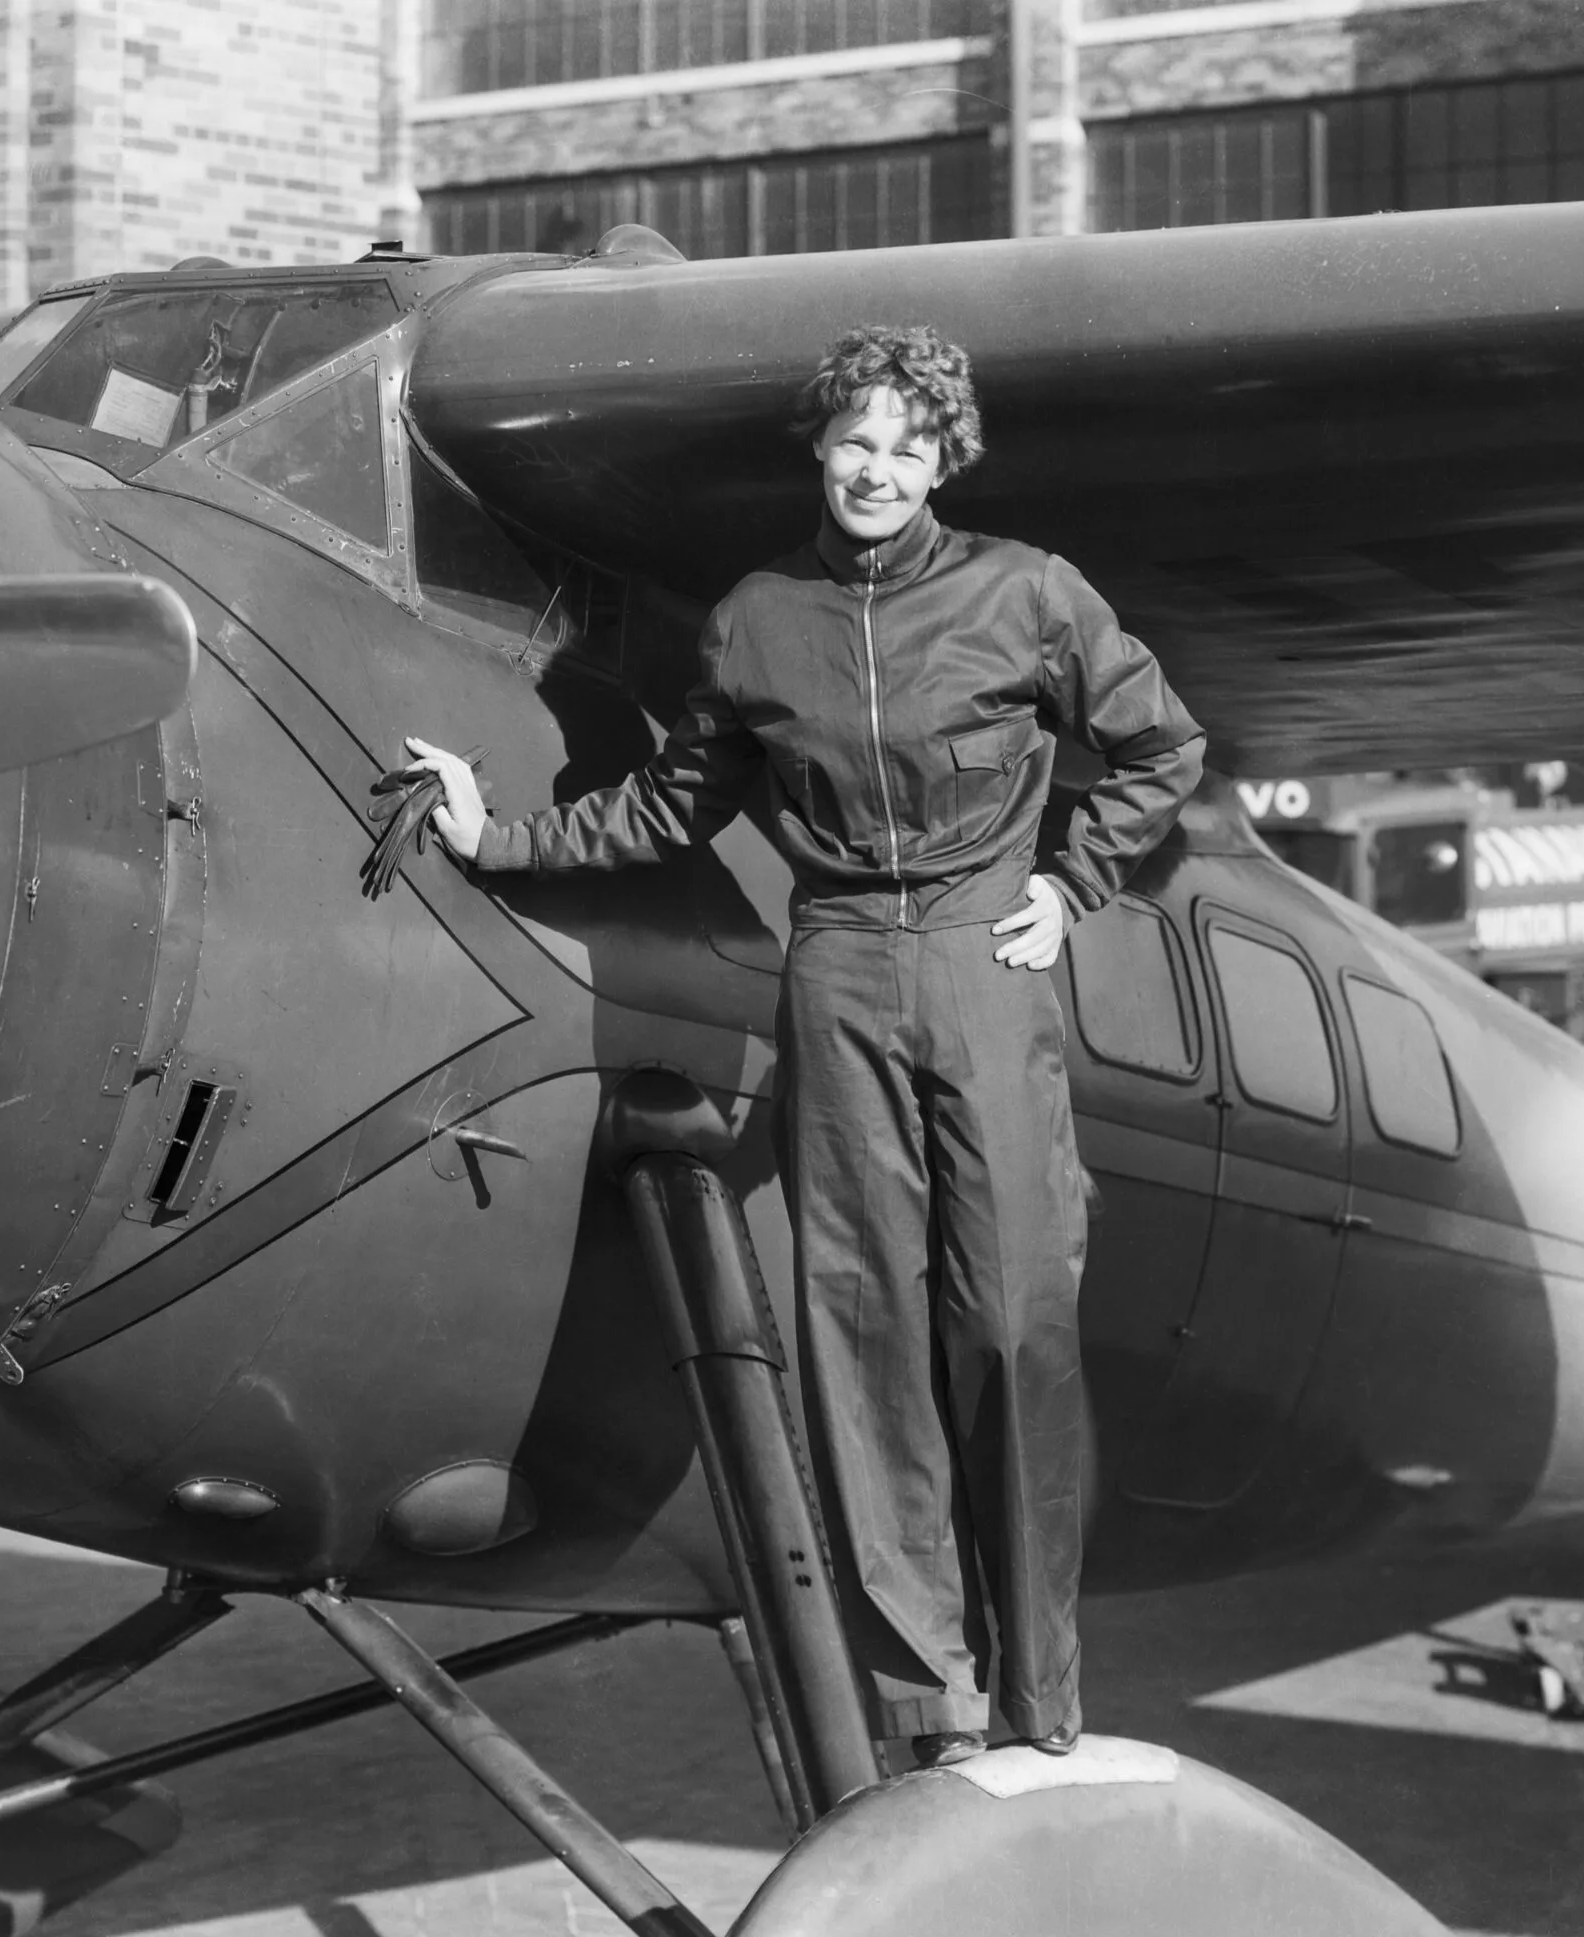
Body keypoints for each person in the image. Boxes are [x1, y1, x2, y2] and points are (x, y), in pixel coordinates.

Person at [404, 325, 1204, 1767]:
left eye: (909, 446)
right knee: (863, 1329)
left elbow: (1161, 749)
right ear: (821, 449)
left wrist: (1072, 886)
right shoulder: (757, 617)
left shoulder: (1030, 593)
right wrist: (494, 836)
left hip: (982, 965)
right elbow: (669, 806)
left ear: (943, 459)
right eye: (857, 442)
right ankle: (931, 1701)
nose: (879, 470)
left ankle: (1044, 1700)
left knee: (1012, 1318)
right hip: (836, 972)